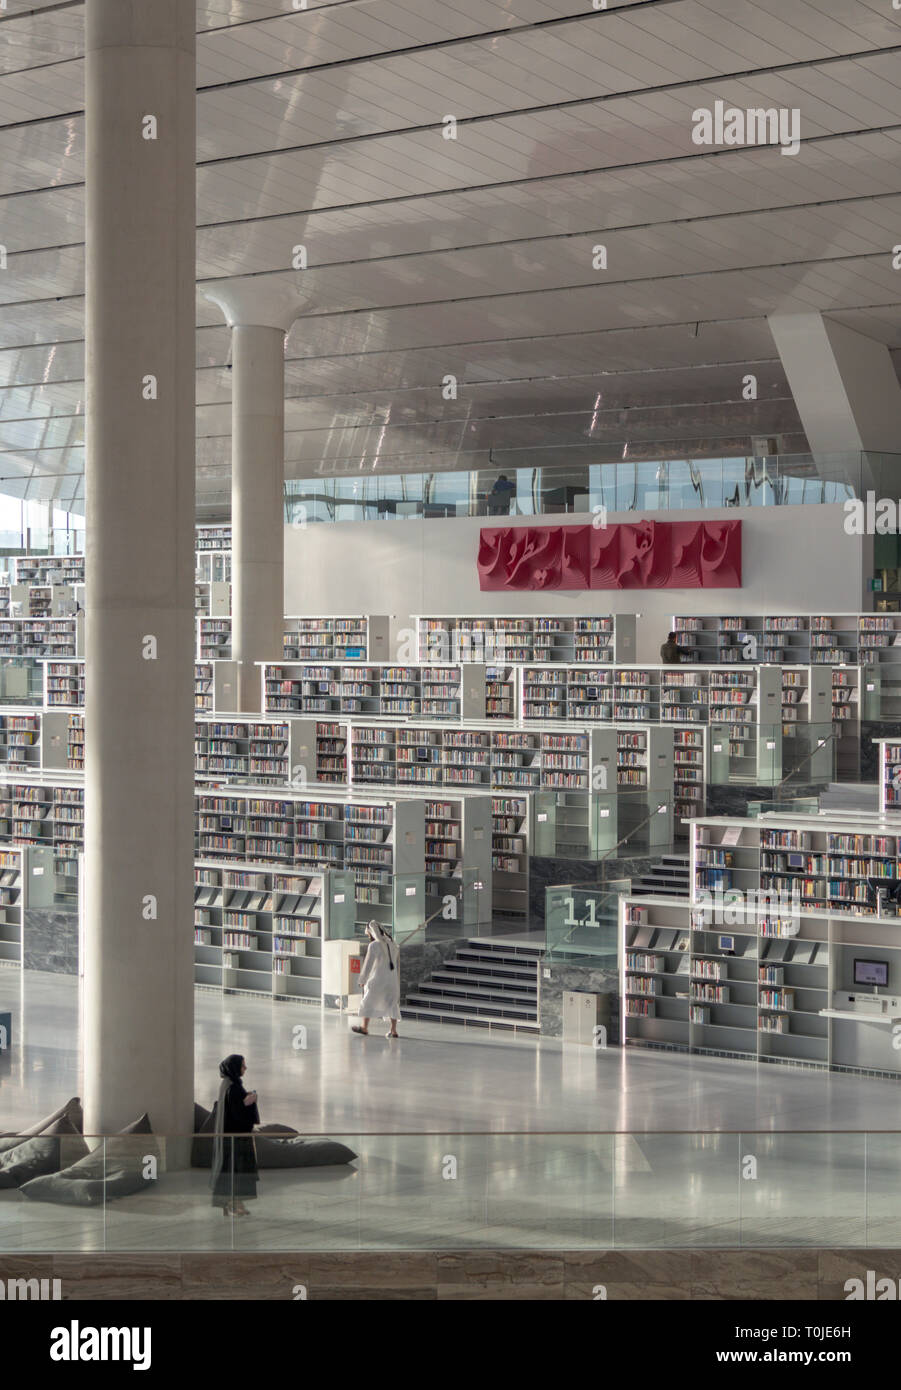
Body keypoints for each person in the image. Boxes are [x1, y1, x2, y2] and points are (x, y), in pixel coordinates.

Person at [210, 1053, 259, 1217]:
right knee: (237, 1171)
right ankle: (234, 1204)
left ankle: (232, 1204)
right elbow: (237, 1114)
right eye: (243, 1065)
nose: (245, 1068)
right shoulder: (233, 1087)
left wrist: (245, 1102)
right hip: (235, 1141)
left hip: (228, 1140)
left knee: (231, 1171)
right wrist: (249, 1102)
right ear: (235, 1067)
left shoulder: (227, 1084)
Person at [352, 921, 401, 1039]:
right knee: (392, 1004)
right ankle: (393, 1030)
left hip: (378, 979)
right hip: (392, 980)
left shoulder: (374, 945)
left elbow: (368, 964)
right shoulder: (393, 944)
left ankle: (364, 1027)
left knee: (367, 1001)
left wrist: (362, 979)